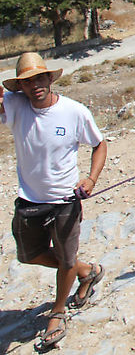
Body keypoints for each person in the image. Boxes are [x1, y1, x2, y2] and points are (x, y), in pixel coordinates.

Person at [1, 52, 107, 351]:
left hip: (65, 201)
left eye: (39, 77)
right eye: (27, 81)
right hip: (29, 200)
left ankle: (58, 313)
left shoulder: (74, 112)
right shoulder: (15, 106)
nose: (35, 85)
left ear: (50, 78)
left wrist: (91, 179)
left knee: (65, 260)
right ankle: (86, 271)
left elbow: (99, 144)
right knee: (29, 255)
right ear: (19, 87)